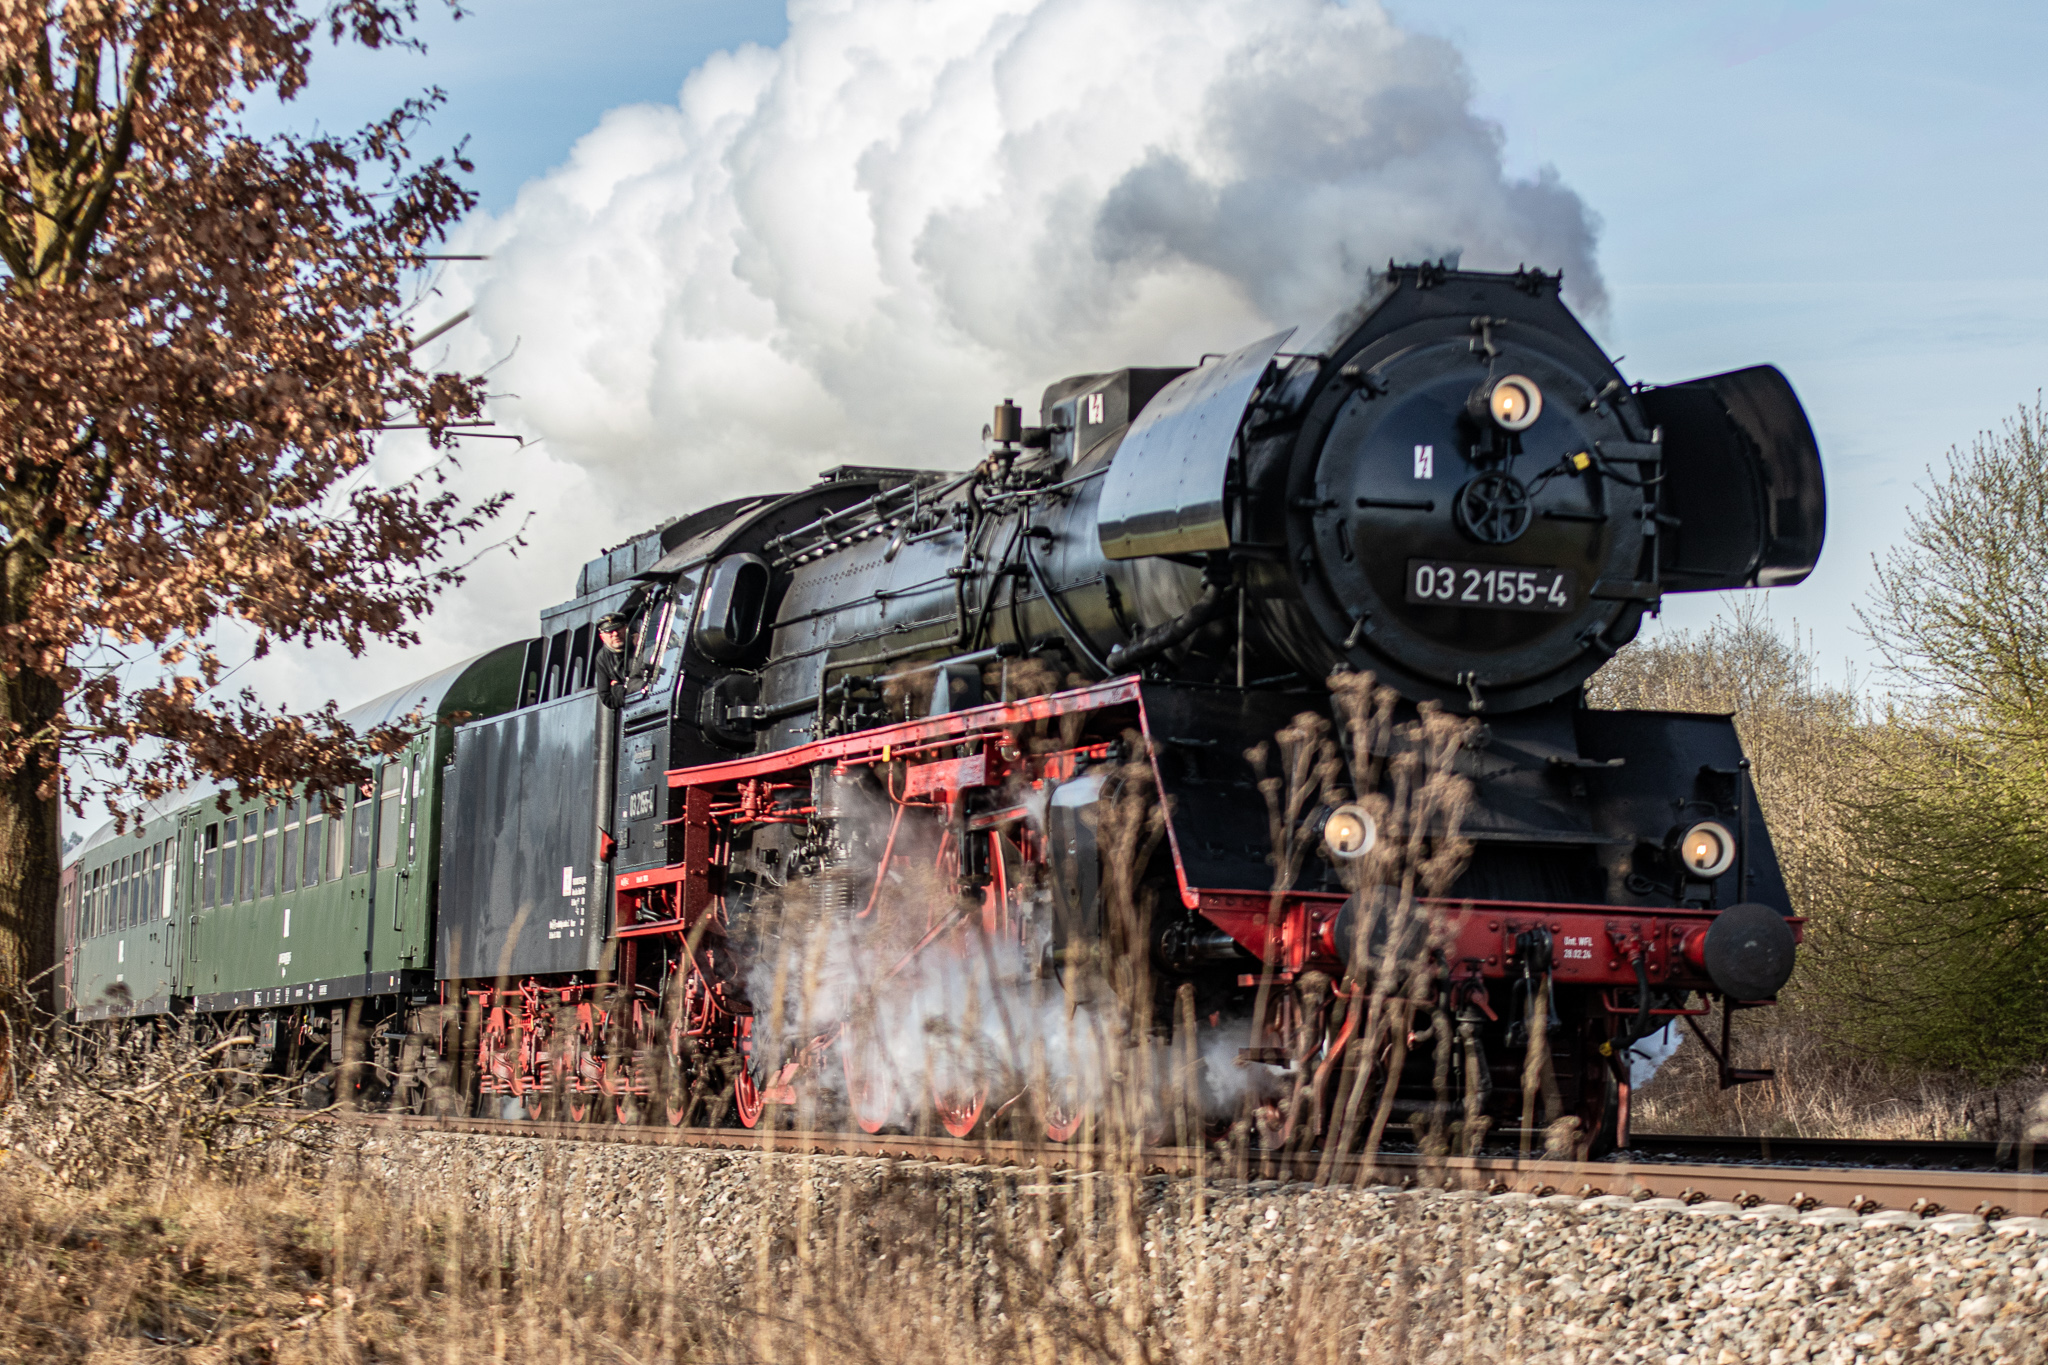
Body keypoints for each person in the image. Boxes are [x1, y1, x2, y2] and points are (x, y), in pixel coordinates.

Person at [594, 613, 644, 710]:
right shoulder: (602, 658)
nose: (615, 634)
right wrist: (627, 692)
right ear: (602, 637)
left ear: (626, 628)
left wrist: (617, 688)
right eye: (610, 632)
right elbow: (606, 698)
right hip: (629, 709)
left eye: (618, 629)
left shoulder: (641, 647)